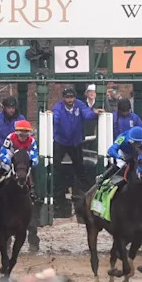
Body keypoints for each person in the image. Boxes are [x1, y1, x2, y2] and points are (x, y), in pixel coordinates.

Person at [53, 87, 96, 215]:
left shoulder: (79, 105)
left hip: (75, 142)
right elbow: (56, 117)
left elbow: (87, 114)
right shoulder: (58, 107)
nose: (69, 100)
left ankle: (86, 194)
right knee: (56, 168)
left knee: (80, 168)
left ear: (74, 97)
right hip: (61, 141)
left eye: (71, 97)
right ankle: (56, 196)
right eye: (67, 97)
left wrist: (95, 113)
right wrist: (51, 118)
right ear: (63, 98)